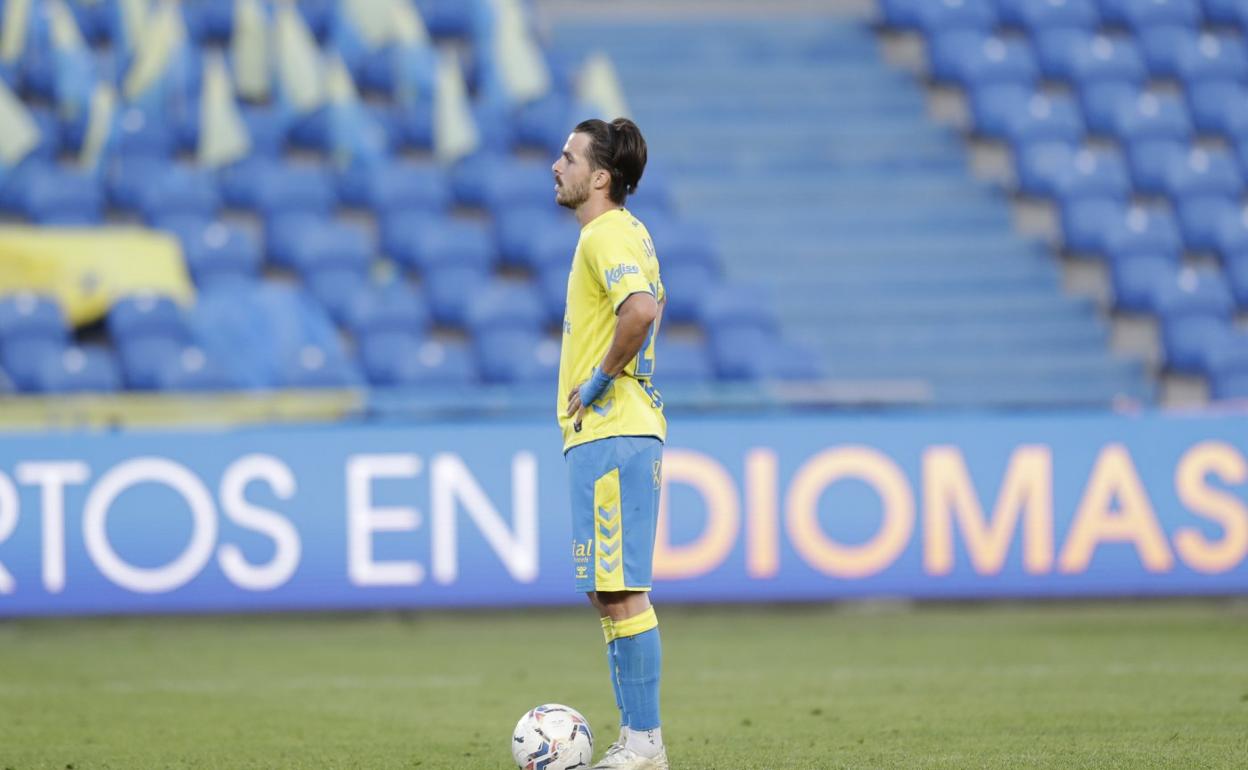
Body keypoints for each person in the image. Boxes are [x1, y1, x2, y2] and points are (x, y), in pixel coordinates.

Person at [552, 117, 668, 770]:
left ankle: (644, 744)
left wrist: (597, 382)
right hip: (605, 436)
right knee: (607, 591)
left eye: (567, 157)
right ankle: (635, 740)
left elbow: (641, 309)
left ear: (600, 177)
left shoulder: (607, 235)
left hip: (615, 430)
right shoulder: (615, 234)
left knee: (622, 591)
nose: (555, 165)